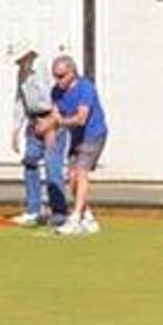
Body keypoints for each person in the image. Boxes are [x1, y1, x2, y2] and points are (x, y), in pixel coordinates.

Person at [47, 53, 109, 235]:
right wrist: (50, 130)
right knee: (72, 178)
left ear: (72, 72)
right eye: (55, 75)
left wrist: (59, 122)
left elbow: (81, 119)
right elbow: (55, 115)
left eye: (61, 76)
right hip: (77, 138)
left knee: (81, 173)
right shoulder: (55, 91)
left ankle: (74, 219)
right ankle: (87, 217)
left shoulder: (86, 88)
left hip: (94, 134)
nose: (57, 80)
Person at [11, 48, 62, 225]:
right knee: (30, 161)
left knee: (52, 165)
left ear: (31, 56)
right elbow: (20, 100)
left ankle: (58, 212)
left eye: (21, 60)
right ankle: (33, 210)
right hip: (33, 121)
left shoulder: (46, 68)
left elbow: (58, 97)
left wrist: (52, 123)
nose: (19, 64)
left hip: (51, 119)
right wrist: (16, 130)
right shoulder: (21, 73)